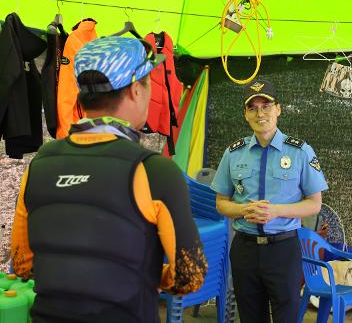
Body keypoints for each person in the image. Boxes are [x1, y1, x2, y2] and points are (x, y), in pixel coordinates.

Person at [10, 36, 207, 323]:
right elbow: (190, 275)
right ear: (137, 91)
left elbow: (22, 263)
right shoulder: (155, 171)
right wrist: (149, 275)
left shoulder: (40, 164)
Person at [211, 79, 328, 323]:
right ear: (245, 114)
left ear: (278, 109)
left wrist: (276, 211)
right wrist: (243, 209)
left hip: (283, 250)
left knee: (287, 317)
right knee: (251, 317)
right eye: (252, 108)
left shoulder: (300, 152)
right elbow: (221, 202)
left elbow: (314, 204)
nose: (260, 113)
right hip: (245, 250)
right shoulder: (233, 153)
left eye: (266, 106)